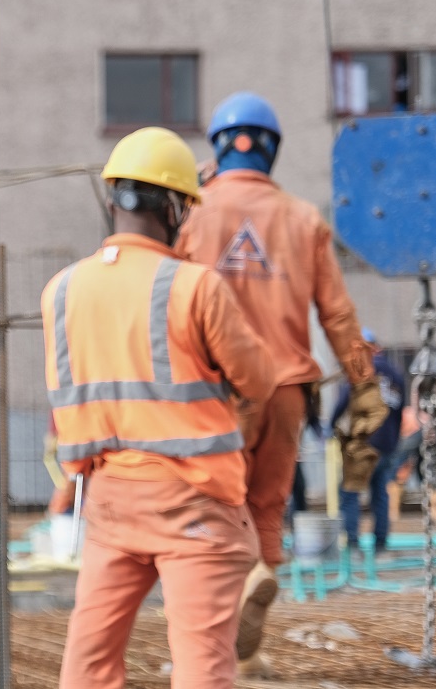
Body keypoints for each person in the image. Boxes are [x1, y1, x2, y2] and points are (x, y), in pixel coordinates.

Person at [44, 127, 275, 688]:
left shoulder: (62, 290)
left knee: (89, 665)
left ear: (111, 200)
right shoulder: (196, 287)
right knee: (202, 666)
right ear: (176, 207)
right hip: (195, 503)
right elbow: (260, 381)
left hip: (109, 503)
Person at [175, 91, 387, 677]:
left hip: (217, 394)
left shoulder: (193, 212)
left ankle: (214, 648)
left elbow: (158, 289)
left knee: (212, 510)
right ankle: (252, 635)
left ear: (219, 144)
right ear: (272, 149)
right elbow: (340, 316)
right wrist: (365, 386)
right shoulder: (303, 218)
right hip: (289, 394)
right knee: (267, 506)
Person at [330, 328, 405, 554]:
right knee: (380, 493)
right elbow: (400, 412)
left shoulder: (362, 370)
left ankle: (352, 545)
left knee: (350, 493)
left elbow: (343, 400)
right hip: (388, 445)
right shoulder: (396, 375)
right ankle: (381, 544)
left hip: (365, 443)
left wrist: (329, 426)